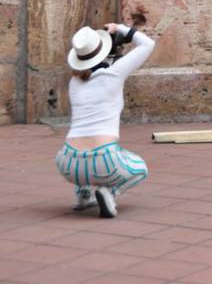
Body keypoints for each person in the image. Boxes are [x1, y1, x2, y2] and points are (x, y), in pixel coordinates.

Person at [55, 20, 155, 217]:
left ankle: (83, 195)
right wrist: (120, 29)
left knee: (82, 163)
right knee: (140, 169)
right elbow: (147, 44)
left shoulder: (74, 82)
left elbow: (91, 71)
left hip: (67, 163)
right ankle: (109, 192)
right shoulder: (114, 74)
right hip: (104, 158)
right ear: (103, 51)